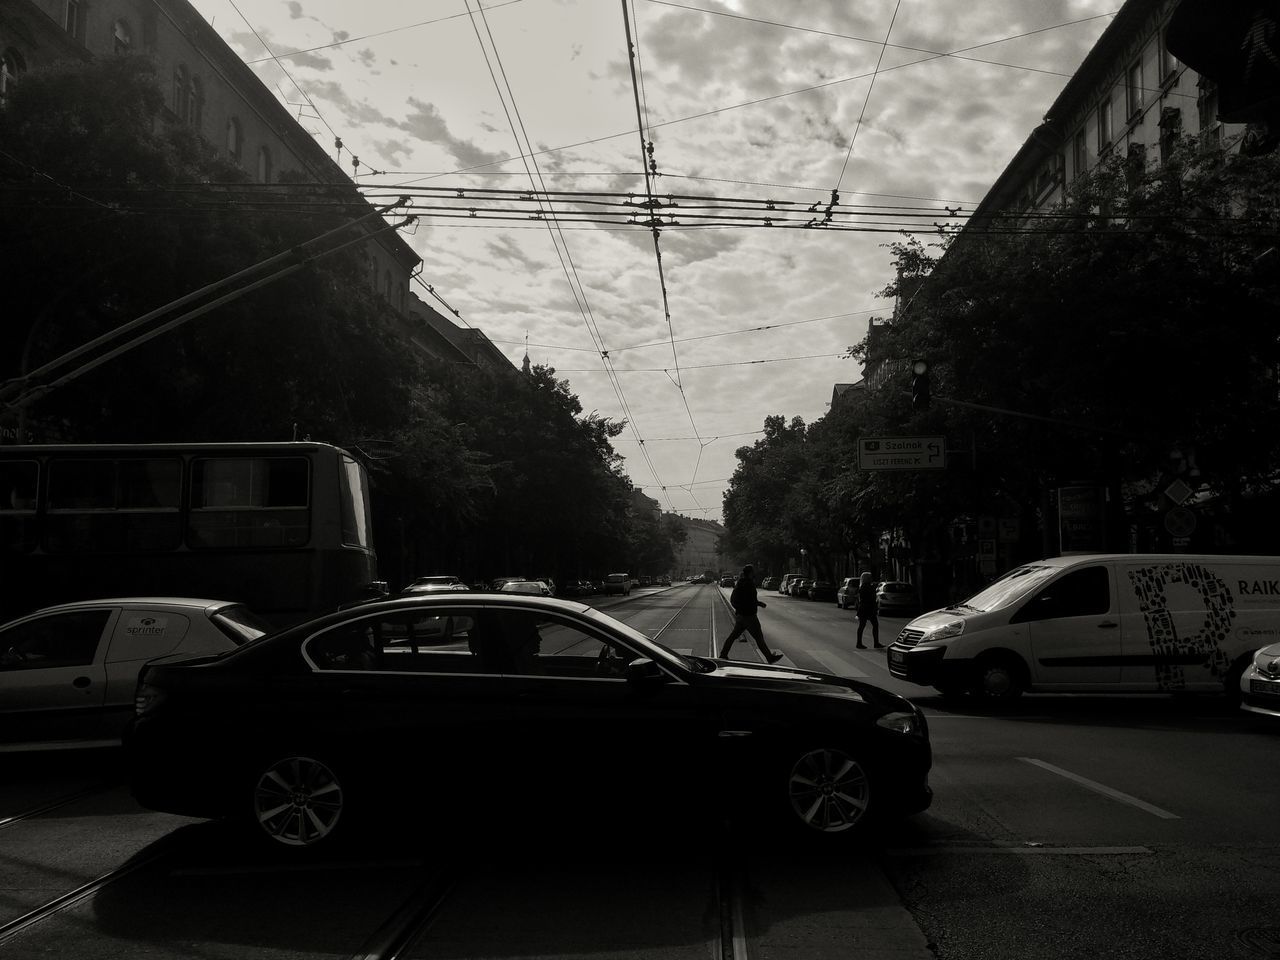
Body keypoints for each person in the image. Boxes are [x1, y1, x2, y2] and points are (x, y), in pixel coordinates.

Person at [720, 564, 783, 663]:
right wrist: (759, 603)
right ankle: (769, 658)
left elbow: (737, 598)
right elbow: (750, 600)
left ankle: (723, 654)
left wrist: (741, 608)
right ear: (750, 573)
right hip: (749, 616)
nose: (754, 573)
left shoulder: (740, 583)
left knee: (733, 636)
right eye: (753, 571)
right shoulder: (749, 584)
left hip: (741, 615)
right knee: (759, 637)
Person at [855, 572, 882, 649]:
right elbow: (872, 598)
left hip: (863, 608)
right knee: (874, 625)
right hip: (868, 608)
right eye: (870, 577)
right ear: (867, 579)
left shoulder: (862, 586)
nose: (871, 579)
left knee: (862, 626)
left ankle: (859, 643)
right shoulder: (868, 587)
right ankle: (875, 643)